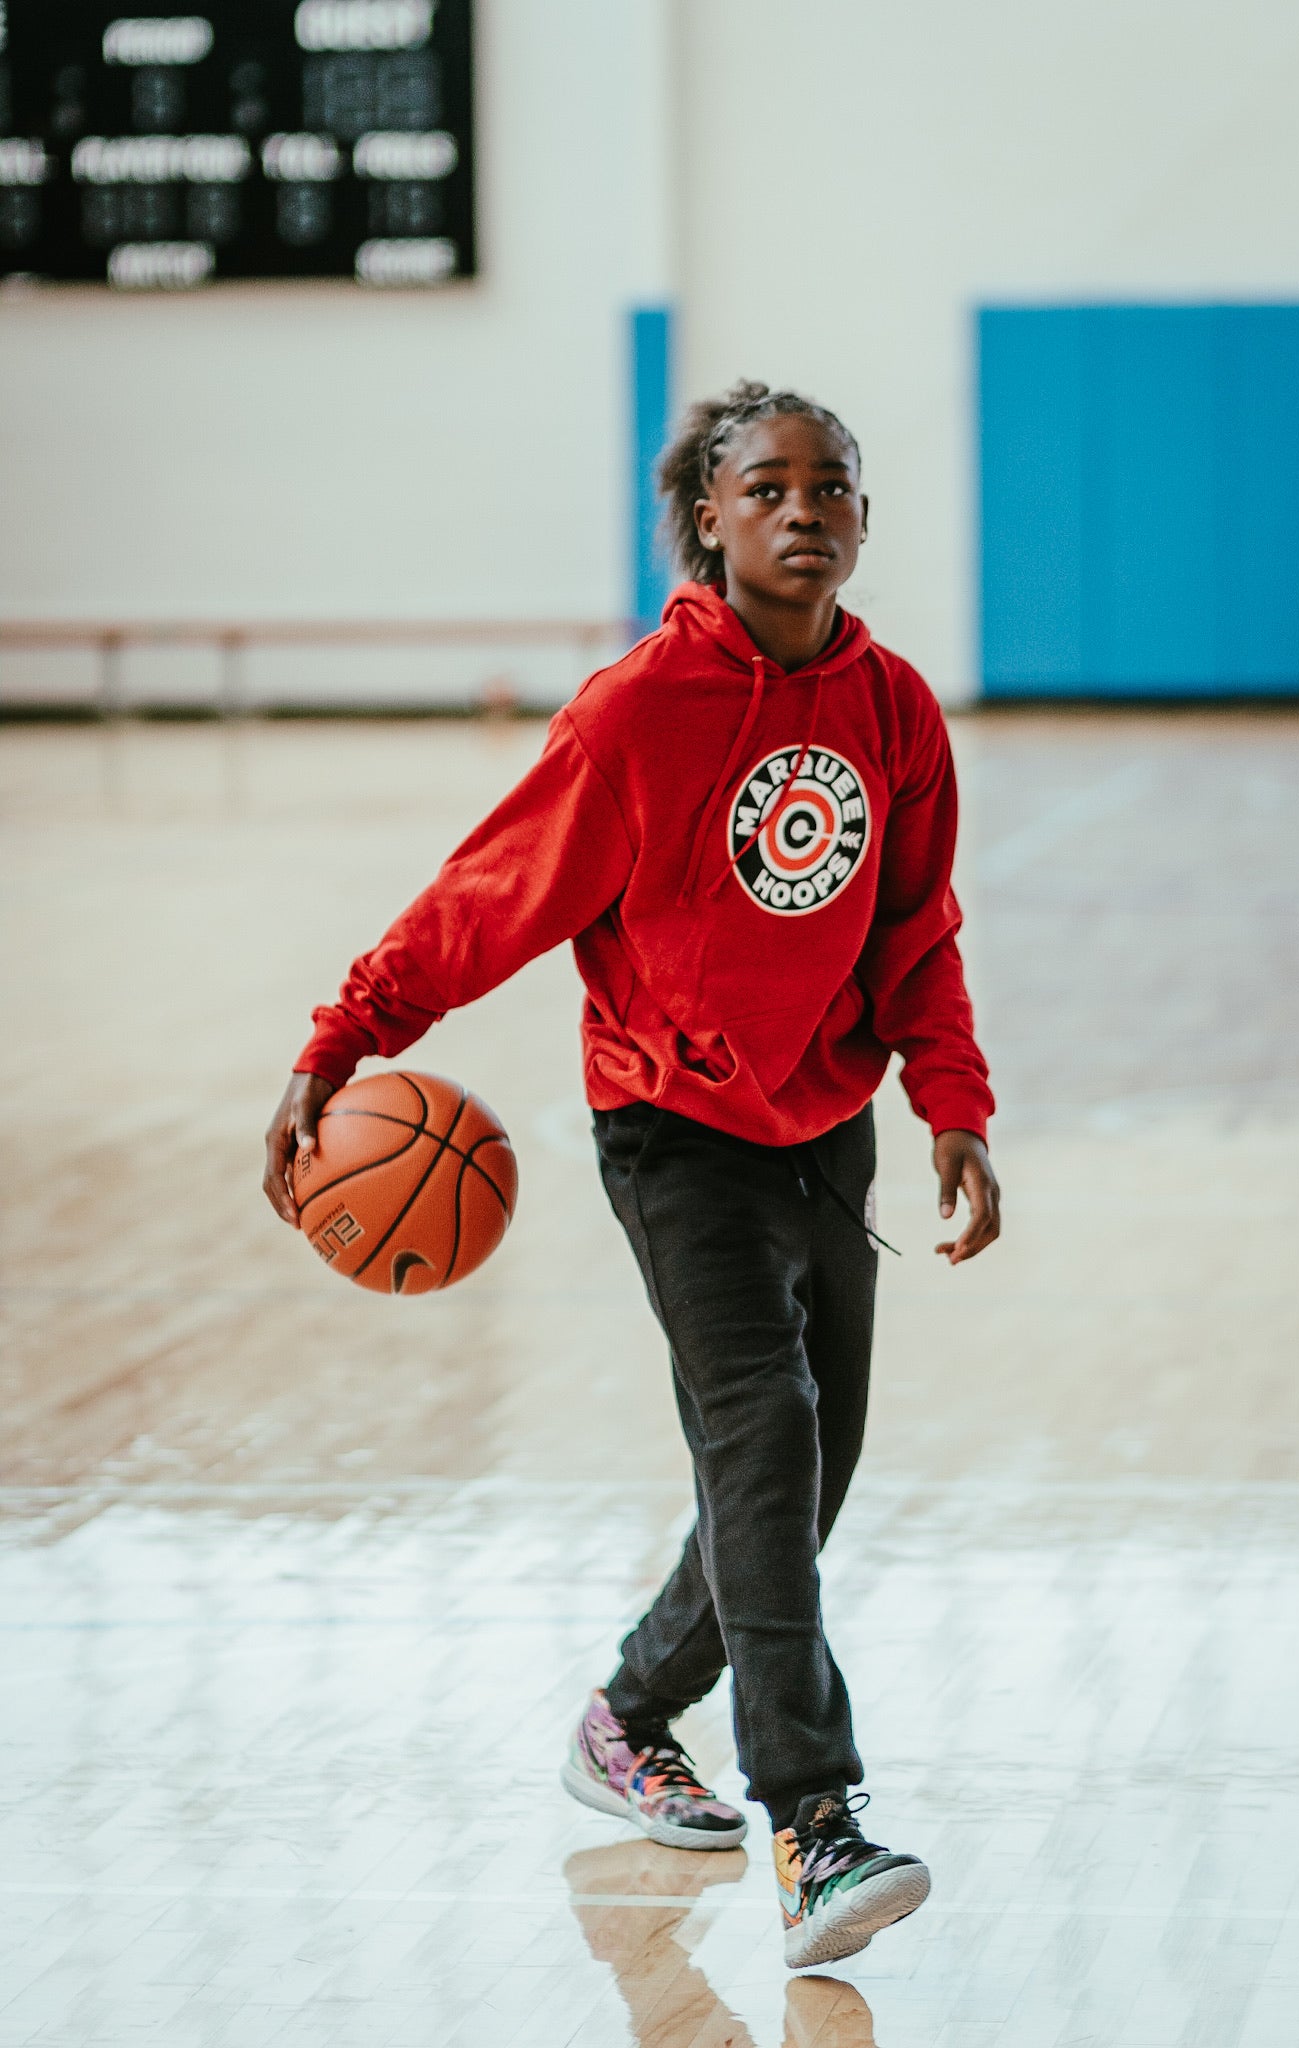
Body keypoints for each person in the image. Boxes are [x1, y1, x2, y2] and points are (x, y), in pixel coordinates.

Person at [263, 379, 1001, 1971]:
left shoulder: (894, 711)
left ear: (864, 520)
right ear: (710, 521)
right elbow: (492, 895)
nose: (803, 509)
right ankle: (814, 1824)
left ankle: (624, 1716)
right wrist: (343, 1040)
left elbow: (912, 929)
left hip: (825, 1127)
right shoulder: (635, 712)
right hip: (672, 1134)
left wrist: (950, 1103)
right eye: (767, 487)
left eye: (833, 486)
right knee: (769, 1440)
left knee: (805, 1477)